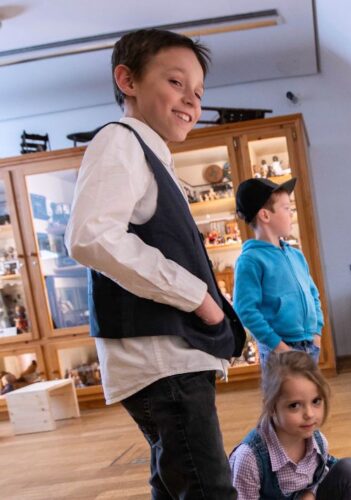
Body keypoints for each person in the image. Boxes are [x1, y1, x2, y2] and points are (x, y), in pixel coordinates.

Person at [66, 29, 244, 498]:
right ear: (127, 80)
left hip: (170, 357)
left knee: (174, 484)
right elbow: (90, 236)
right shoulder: (120, 141)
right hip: (162, 359)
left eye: (199, 92)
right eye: (176, 82)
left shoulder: (150, 155)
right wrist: (200, 299)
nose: (191, 101)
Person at [229, 351, 351, 499]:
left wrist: (310, 493)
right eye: (294, 405)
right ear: (271, 407)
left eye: (316, 401)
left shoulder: (319, 442)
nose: (309, 414)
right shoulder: (248, 459)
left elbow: (321, 476)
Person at [233, 178, 324, 368]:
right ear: (265, 215)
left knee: (310, 396)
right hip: (280, 352)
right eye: (286, 208)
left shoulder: (296, 255)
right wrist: (280, 347)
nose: (291, 213)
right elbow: (245, 309)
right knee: (283, 398)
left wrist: (317, 334)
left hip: (309, 345)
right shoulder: (250, 260)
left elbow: (313, 294)